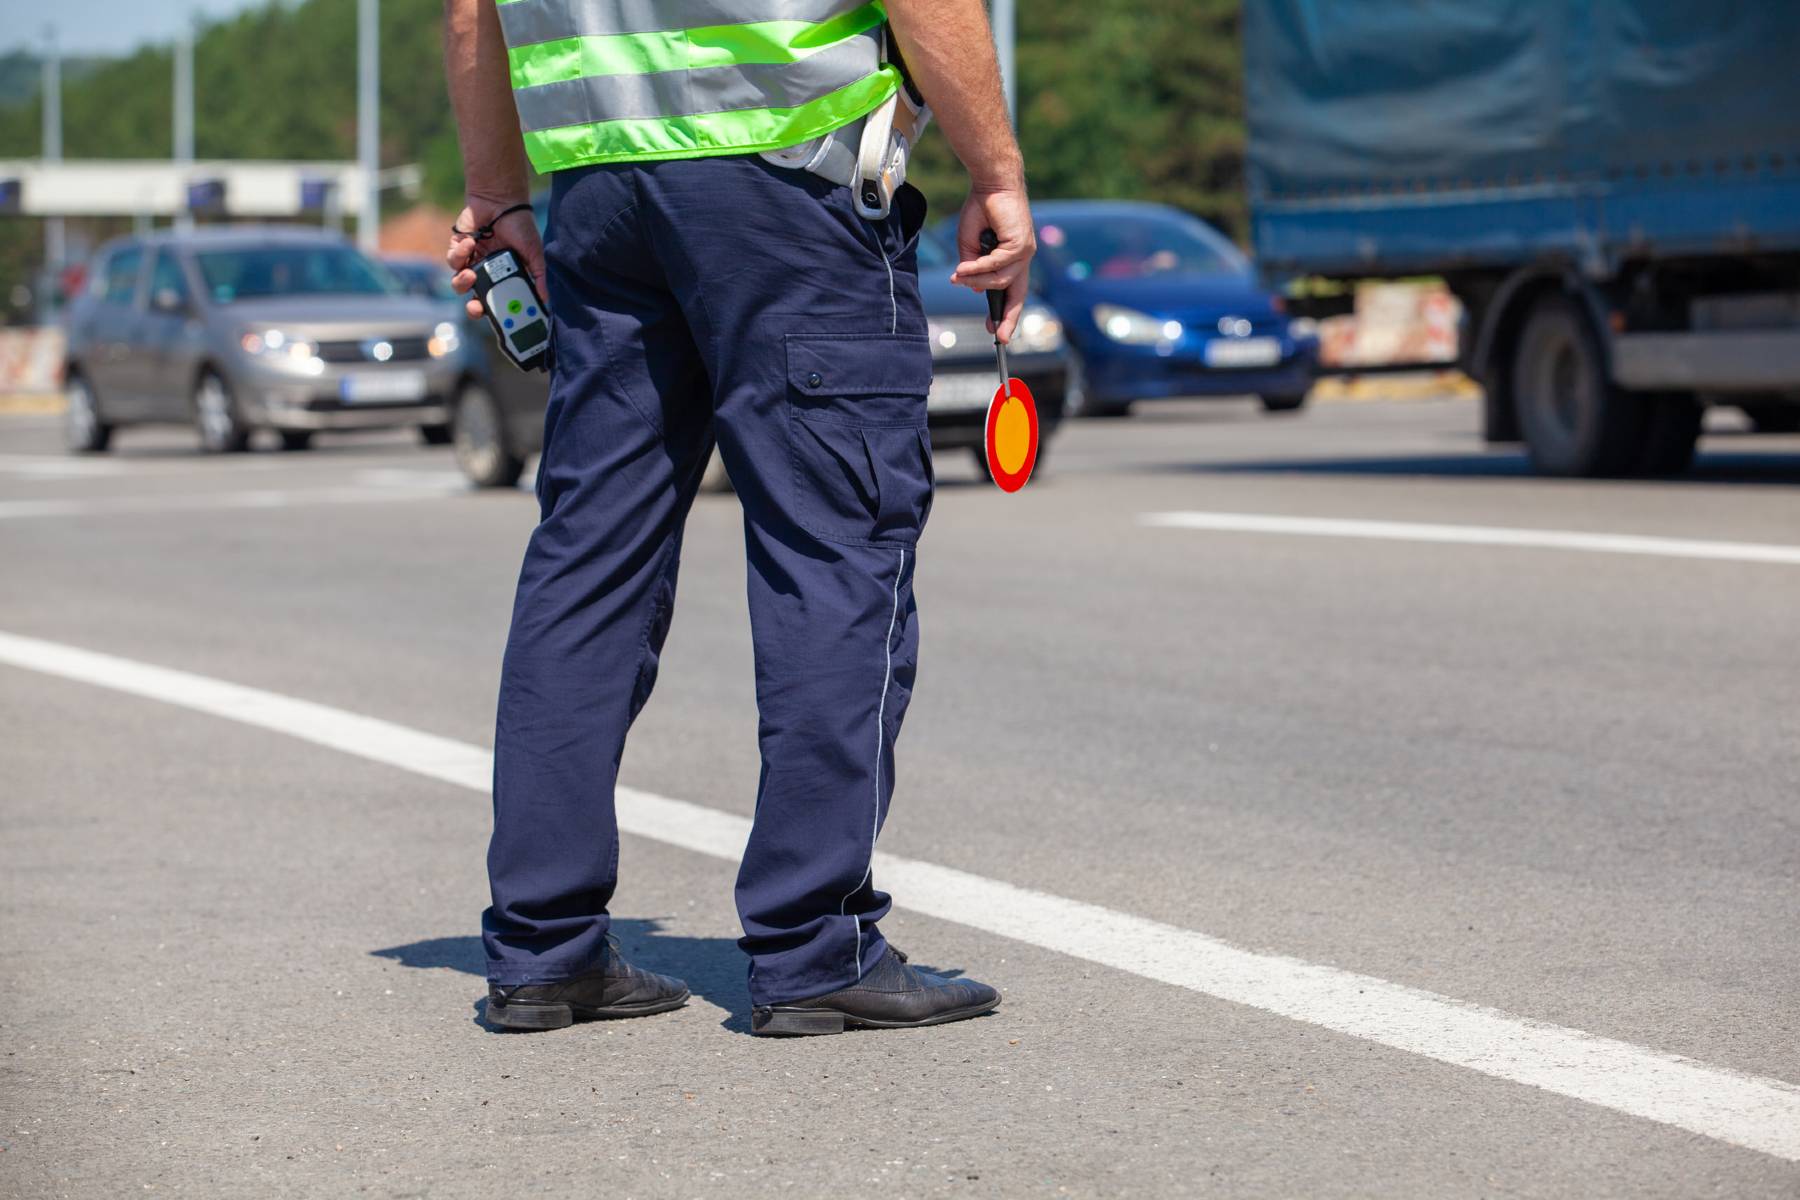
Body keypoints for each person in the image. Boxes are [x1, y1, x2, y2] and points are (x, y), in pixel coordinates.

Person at [443, 0, 1035, 1035]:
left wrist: (496, 197)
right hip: (788, 194)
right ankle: (813, 946)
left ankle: (544, 948)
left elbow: (469, 9)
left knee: (587, 564)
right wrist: (998, 174)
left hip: (601, 200)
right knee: (835, 554)